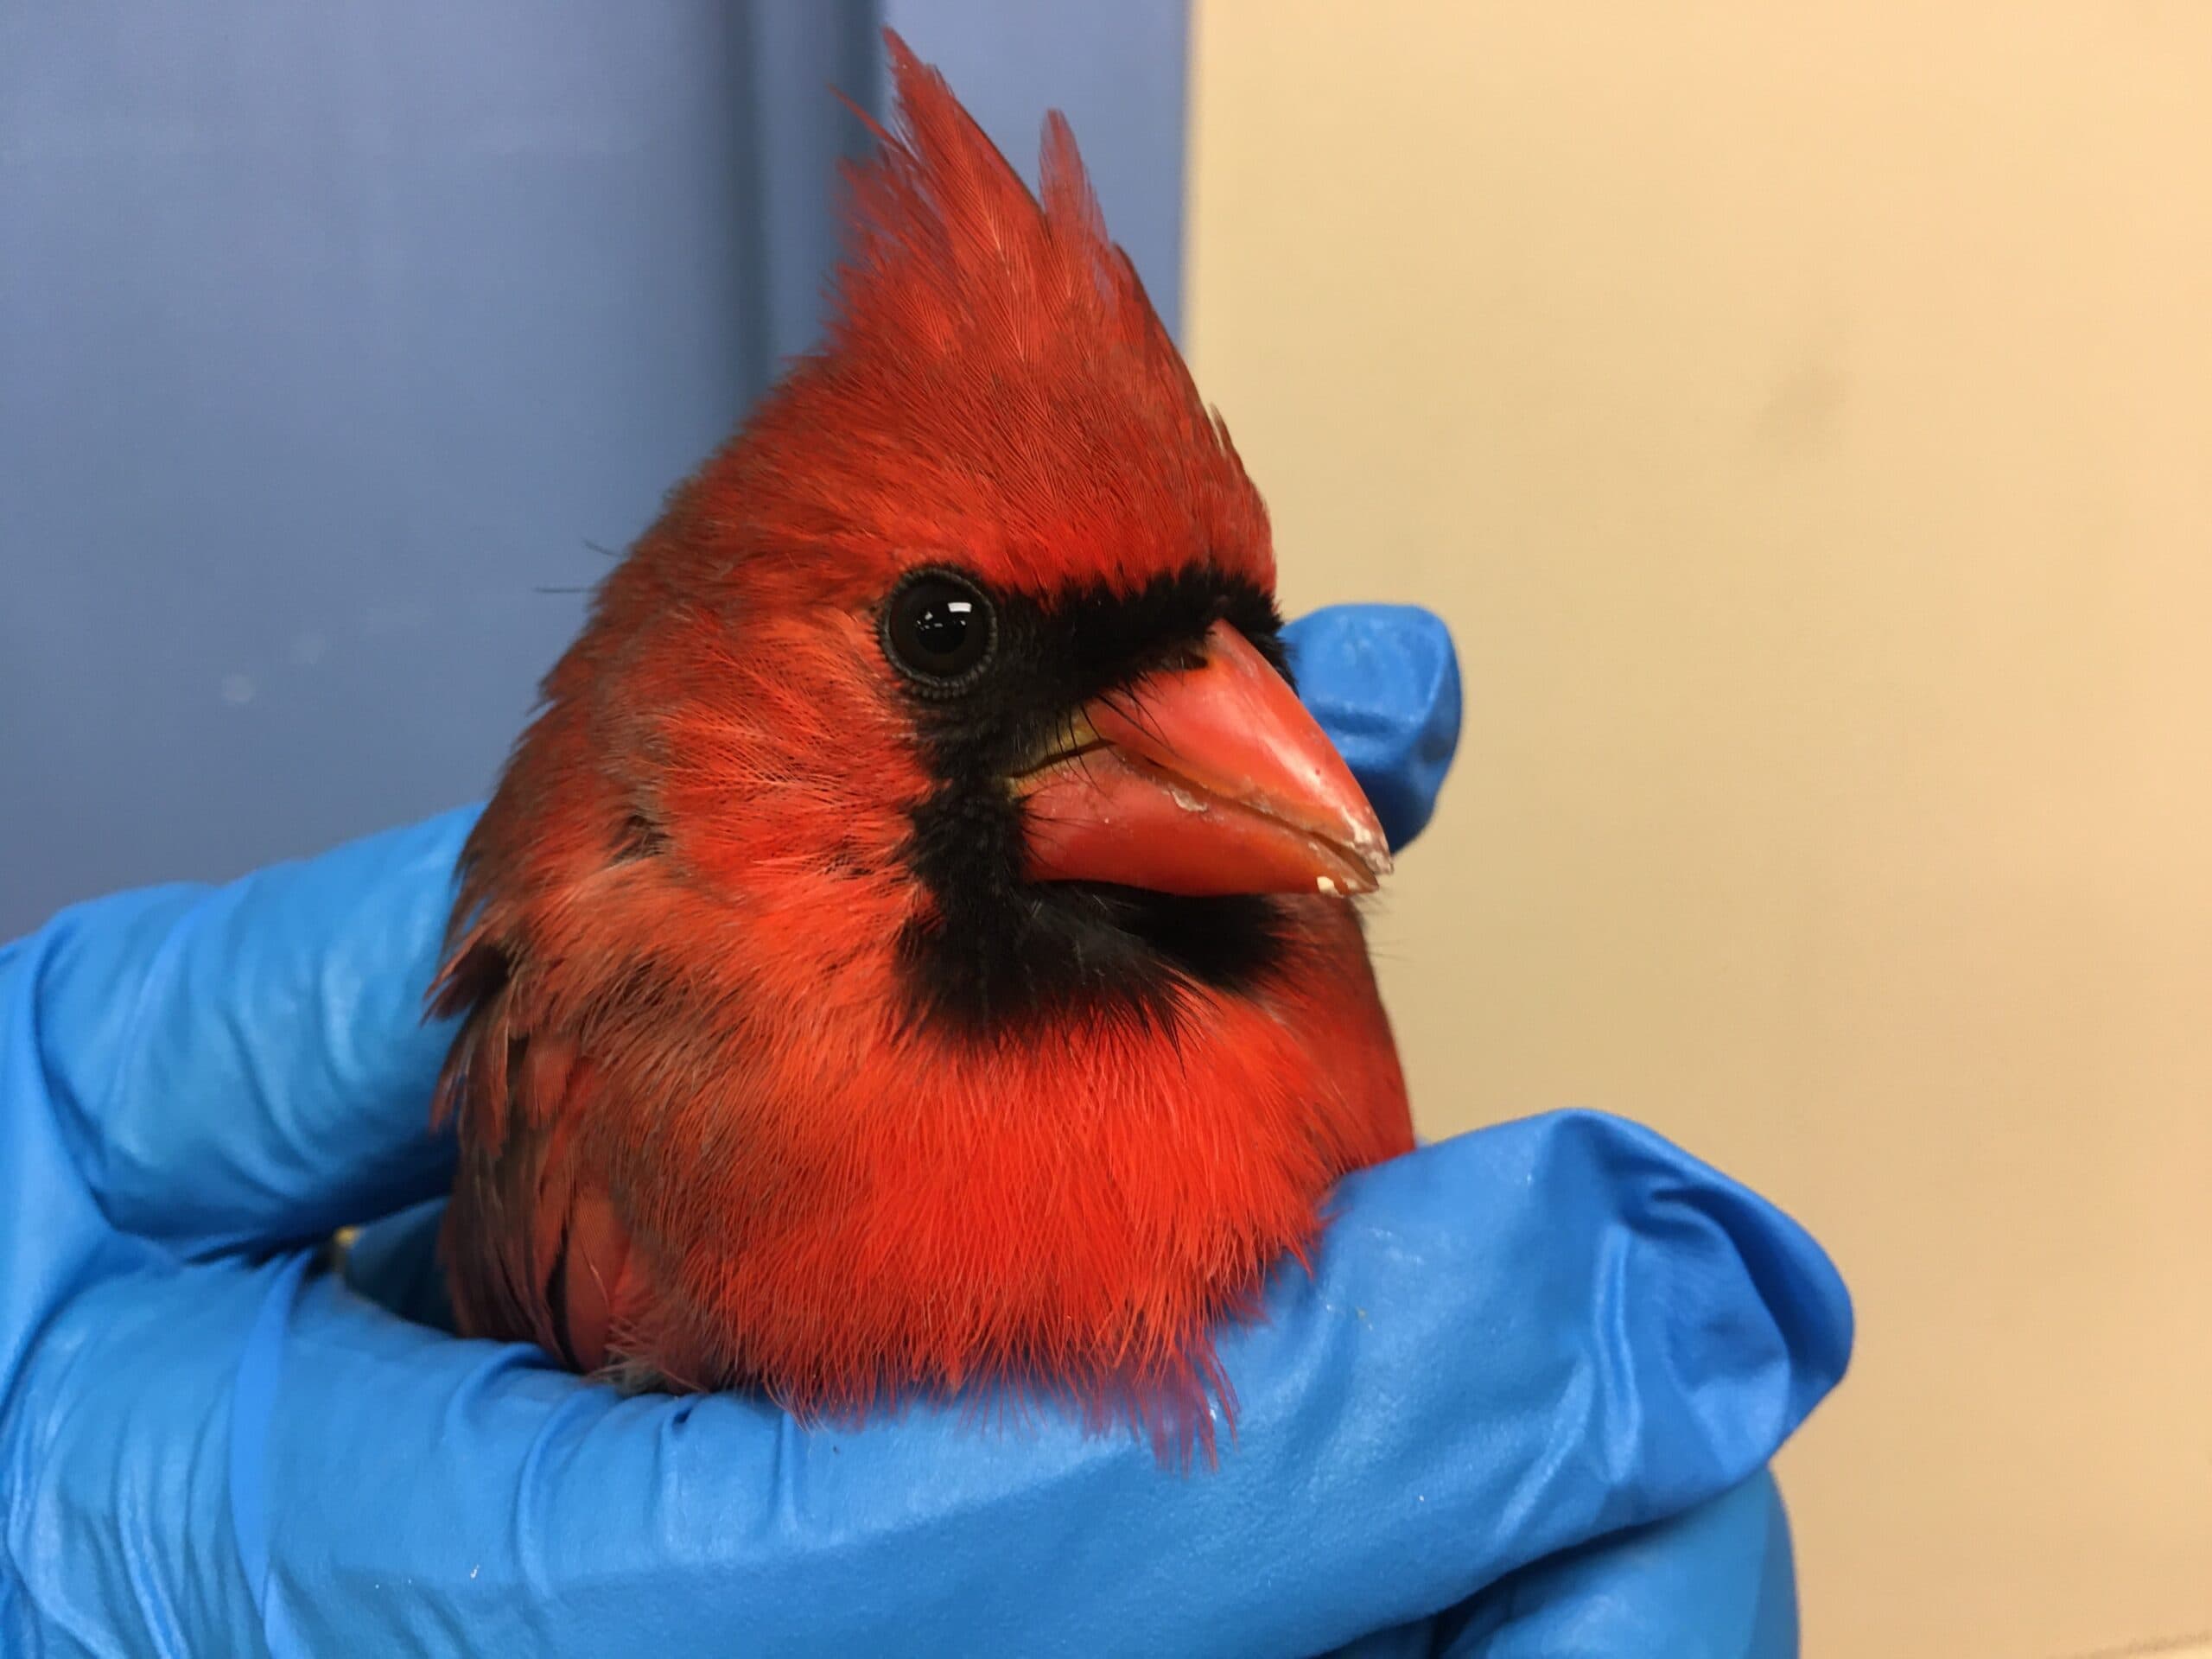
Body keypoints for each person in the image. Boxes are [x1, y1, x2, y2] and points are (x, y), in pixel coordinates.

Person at [0, 607, 1850, 1656]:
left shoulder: (1263, 915)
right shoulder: (615, 1060)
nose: (1216, 721)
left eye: (1224, 642)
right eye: (953, 635)